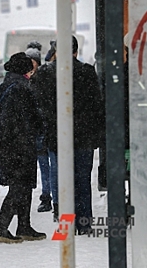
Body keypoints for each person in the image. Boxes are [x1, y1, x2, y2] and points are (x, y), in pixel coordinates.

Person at [33, 36, 104, 234]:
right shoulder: (87, 72)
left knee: (63, 181)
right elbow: (97, 106)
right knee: (82, 180)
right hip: (83, 137)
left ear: (56, 51)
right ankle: (84, 223)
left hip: (58, 136)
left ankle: (66, 224)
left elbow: (38, 104)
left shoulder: (45, 74)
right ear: (76, 51)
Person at [0, 52, 47, 243]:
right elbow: (28, 118)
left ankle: (24, 226)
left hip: (9, 145)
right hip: (20, 145)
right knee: (18, 187)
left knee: (23, 186)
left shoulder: (6, 86)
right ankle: (1, 228)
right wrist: (36, 128)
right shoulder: (21, 89)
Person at [25, 44, 52, 213]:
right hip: (33, 129)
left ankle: (46, 196)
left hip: (41, 129)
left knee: (44, 165)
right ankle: (45, 195)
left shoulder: (40, 79)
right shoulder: (28, 80)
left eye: (32, 61)